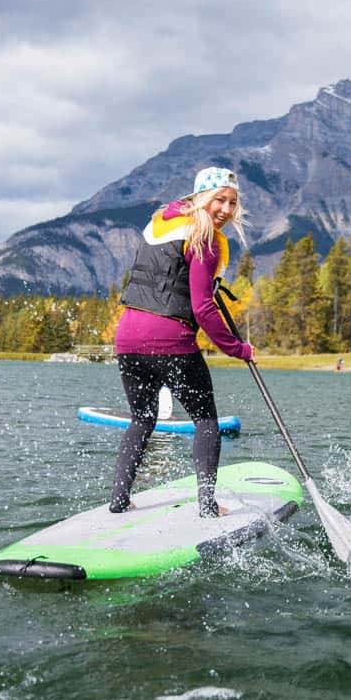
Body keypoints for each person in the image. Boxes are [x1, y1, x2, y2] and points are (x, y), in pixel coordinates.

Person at [109, 167, 254, 518]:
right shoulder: (204, 236)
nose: (225, 209)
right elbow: (203, 309)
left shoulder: (160, 222)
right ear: (201, 197)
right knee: (205, 420)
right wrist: (238, 348)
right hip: (169, 338)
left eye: (232, 203)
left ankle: (119, 499)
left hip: (127, 336)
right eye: (219, 199)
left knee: (141, 418)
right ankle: (207, 505)